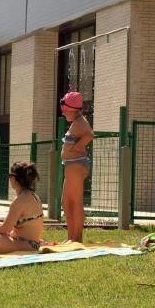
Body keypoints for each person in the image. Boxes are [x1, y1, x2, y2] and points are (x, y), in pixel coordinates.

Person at [0, 161, 44, 253]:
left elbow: (6, 228)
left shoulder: (19, 200)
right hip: (30, 242)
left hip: (26, 244)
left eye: (10, 175)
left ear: (14, 178)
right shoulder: (33, 196)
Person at [59, 92, 93, 243]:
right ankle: (71, 237)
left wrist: (76, 148)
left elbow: (90, 135)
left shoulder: (81, 123)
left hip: (76, 165)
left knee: (75, 201)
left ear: (72, 109)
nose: (63, 111)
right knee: (66, 202)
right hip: (72, 165)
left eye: (64, 108)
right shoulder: (77, 122)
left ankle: (76, 239)